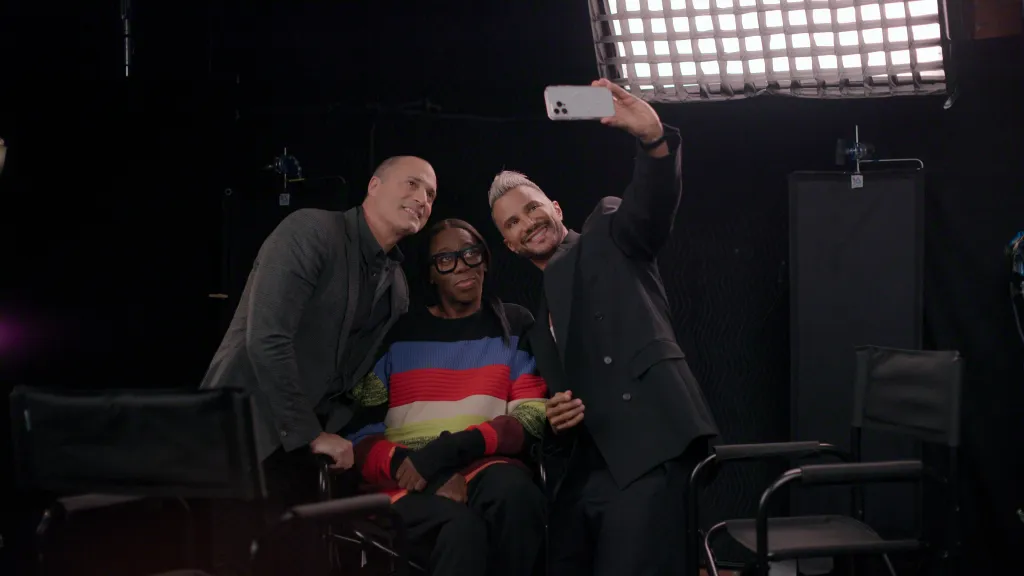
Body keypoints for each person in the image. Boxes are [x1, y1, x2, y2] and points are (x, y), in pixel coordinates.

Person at [487, 78, 720, 576]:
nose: (527, 222)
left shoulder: (607, 233)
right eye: (512, 223)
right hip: (583, 472)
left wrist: (652, 140)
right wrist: (556, 417)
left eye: (532, 207)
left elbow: (651, 208)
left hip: (648, 447)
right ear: (509, 245)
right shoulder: (535, 323)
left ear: (556, 209)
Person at [199, 156, 435, 572]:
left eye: (430, 194)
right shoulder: (311, 229)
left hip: (305, 456)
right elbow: (267, 338)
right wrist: (309, 433)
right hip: (243, 436)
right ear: (374, 185)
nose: (422, 198)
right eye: (412, 184)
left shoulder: (396, 286)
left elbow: (348, 376)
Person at [346, 219, 548, 576]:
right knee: (461, 528)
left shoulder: (514, 324)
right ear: (430, 274)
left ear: (485, 260)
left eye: (471, 253)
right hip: (406, 474)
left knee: (516, 496)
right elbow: (359, 432)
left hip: (485, 461)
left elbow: (530, 415)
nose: (463, 266)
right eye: (445, 259)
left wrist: (454, 448)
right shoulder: (400, 333)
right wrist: (418, 467)